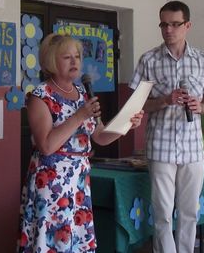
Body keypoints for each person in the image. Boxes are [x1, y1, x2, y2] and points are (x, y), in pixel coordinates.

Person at [18, 33, 143, 252]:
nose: (74, 61)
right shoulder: (40, 96)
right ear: (51, 61)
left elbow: (100, 136)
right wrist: (79, 116)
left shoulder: (83, 92)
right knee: (53, 242)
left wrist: (126, 125)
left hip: (79, 180)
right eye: (67, 57)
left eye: (77, 56)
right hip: (52, 182)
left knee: (76, 241)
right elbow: (46, 146)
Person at [129, 0, 204, 253]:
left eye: (174, 24)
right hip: (161, 147)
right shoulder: (148, 60)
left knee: (190, 212)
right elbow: (137, 105)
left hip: (193, 149)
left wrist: (199, 106)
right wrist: (164, 100)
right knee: (163, 214)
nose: (168, 29)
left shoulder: (203, 60)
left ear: (187, 25)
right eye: (163, 24)